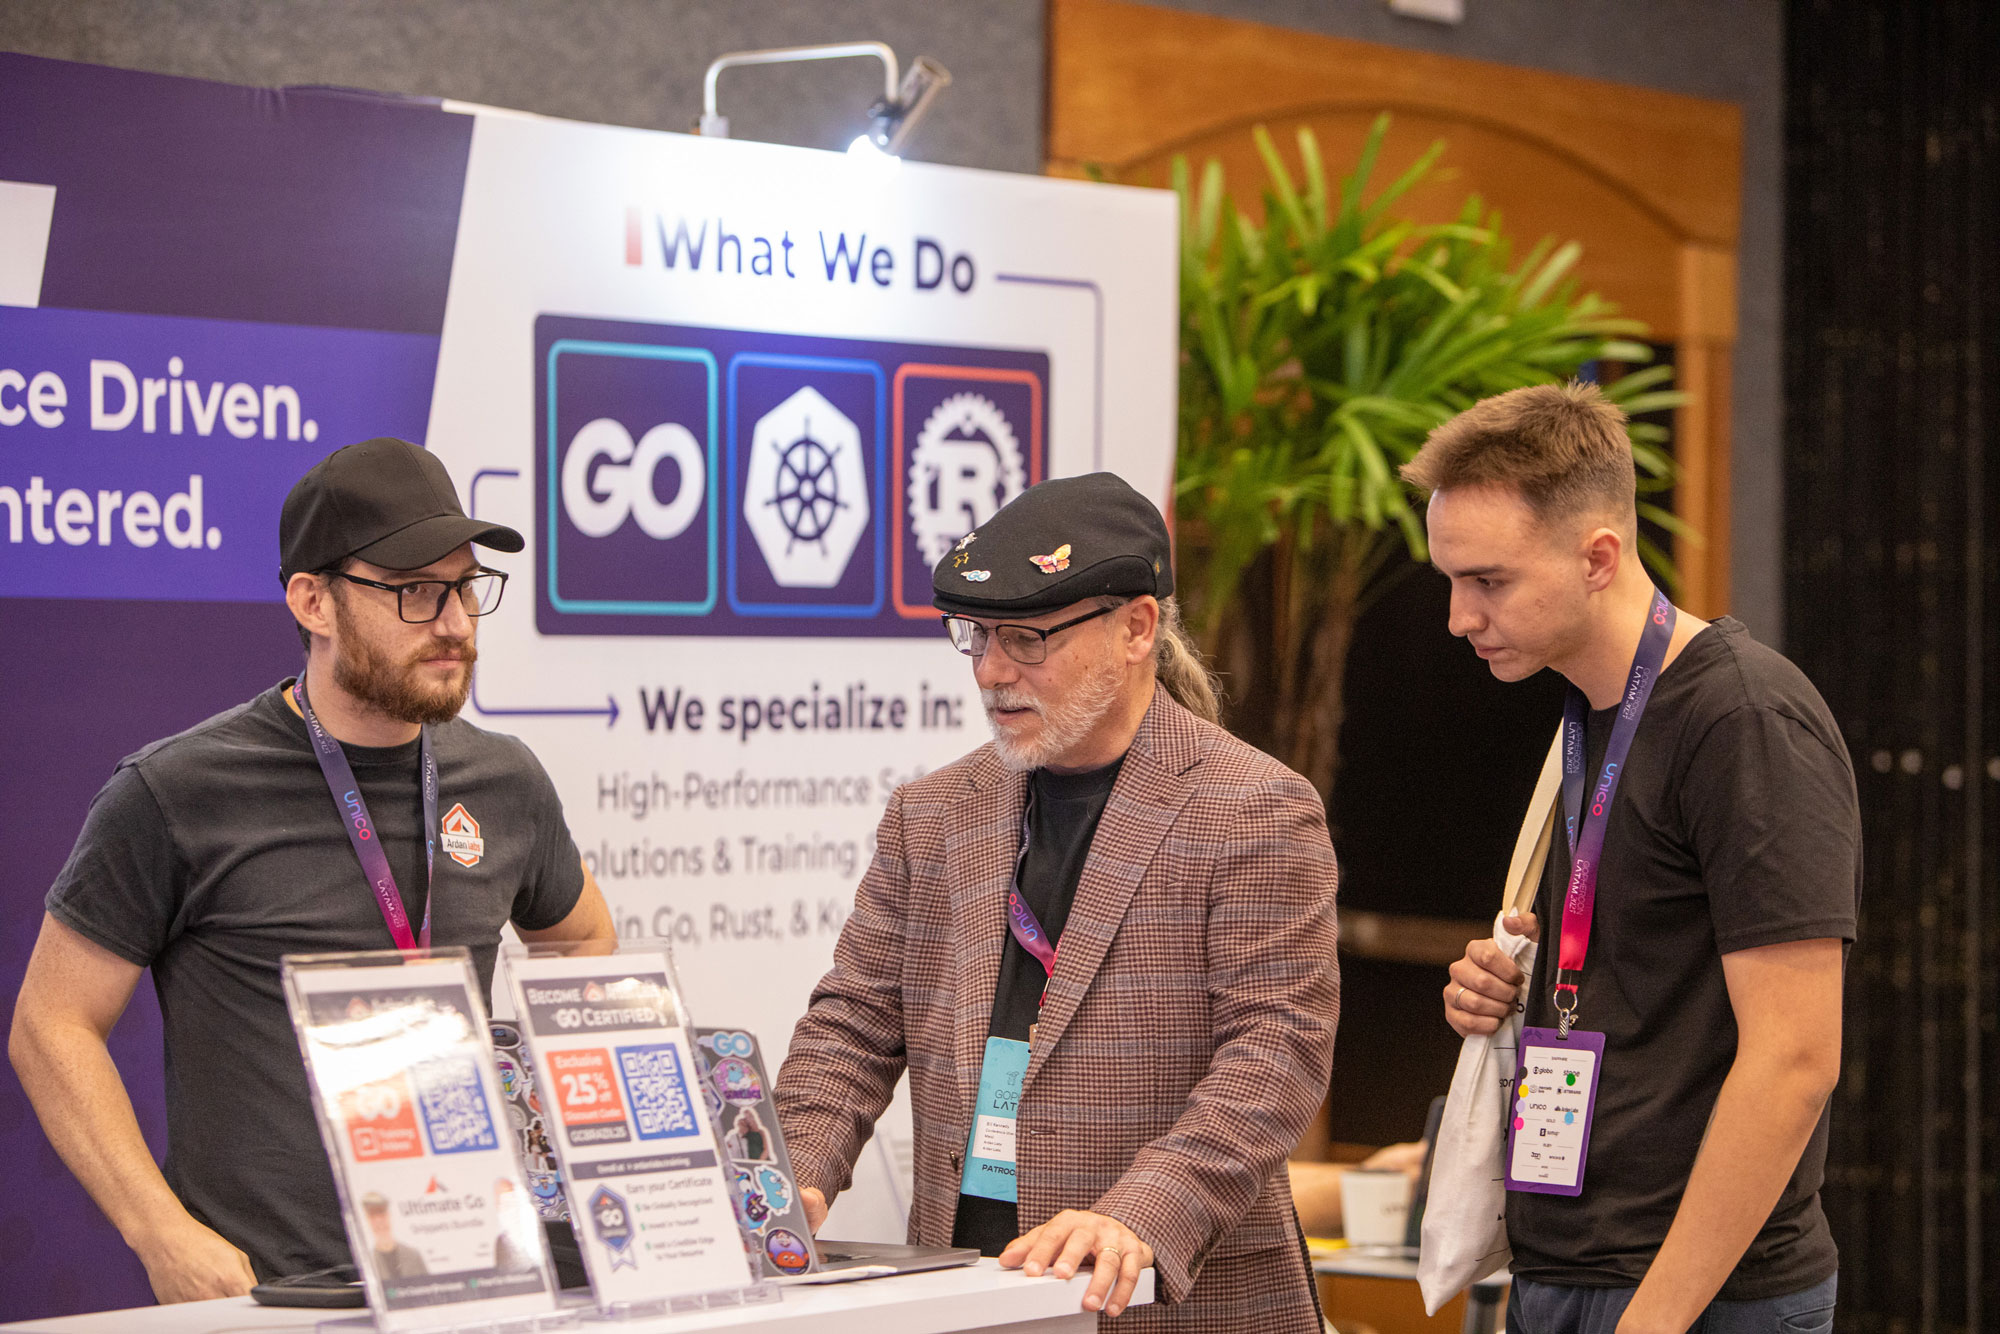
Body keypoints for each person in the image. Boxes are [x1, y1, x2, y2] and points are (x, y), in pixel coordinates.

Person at [8, 437, 616, 1302]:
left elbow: (585, 940)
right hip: (270, 1298)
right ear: (313, 601)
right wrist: (162, 1233)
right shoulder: (178, 790)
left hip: (471, 1277)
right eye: (414, 592)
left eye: (465, 587)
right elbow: (51, 1025)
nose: (454, 622)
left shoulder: (504, 779)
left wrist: (550, 1121)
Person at [774, 473, 1339, 1332]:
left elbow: (1276, 1053)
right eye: (977, 635)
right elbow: (855, 1021)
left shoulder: (1253, 808)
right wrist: (791, 1174)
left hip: (1167, 1302)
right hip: (967, 1293)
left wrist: (1140, 1215)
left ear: (1136, 628)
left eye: (1027, 639)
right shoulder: (934, 814)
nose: (992, 671)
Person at [1409, 384, 1856, 1333]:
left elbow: (1795, 1060)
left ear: (1598, 557)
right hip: (1561, 1270)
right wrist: (1512, 991)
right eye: (1450, 580)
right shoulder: (1585, 715)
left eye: (1488, 581)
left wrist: (1655, 1318)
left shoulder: (1743, 719)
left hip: (1703, 1295)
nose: (1458, 616)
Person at [360, 1193, 428, 1280]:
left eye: (382, 1214)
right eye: (373, 1216)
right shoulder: (367, 1264)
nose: (379, 1221)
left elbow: (429, 1285)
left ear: (389, 1215)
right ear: (368, 1220)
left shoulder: (413, 1256)